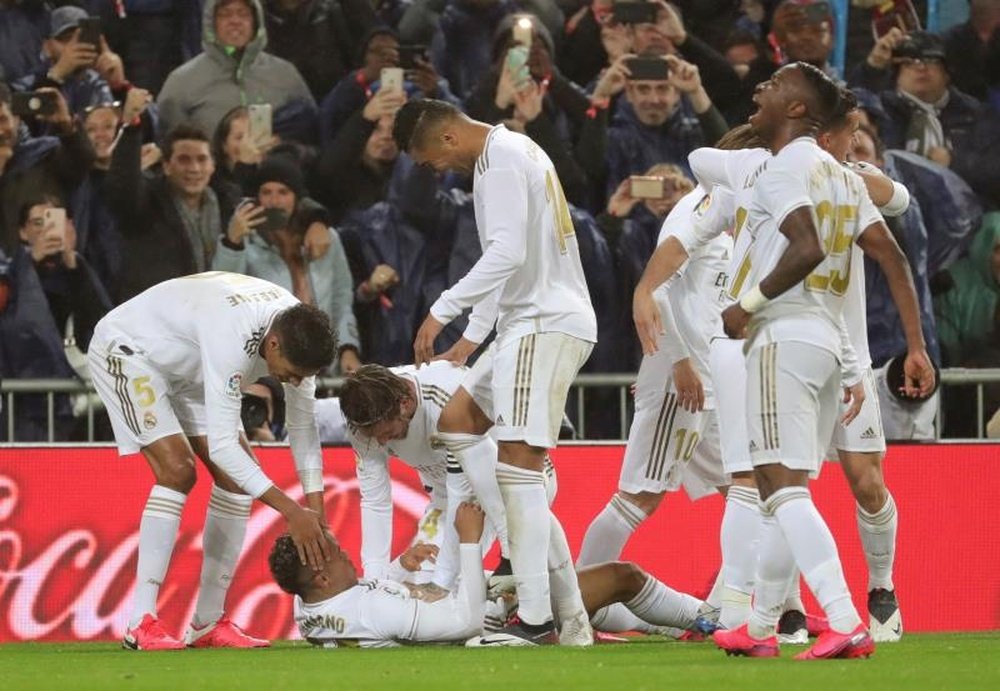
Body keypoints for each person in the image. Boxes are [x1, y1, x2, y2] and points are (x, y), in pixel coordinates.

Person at [712, 62, 933, 660]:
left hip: (782, 337)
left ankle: (842, 618)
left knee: (779, 487)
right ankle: (760, 628)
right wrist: (915, 347)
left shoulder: (784, 168)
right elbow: (892, 257)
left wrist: (745, 305)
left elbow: (806, 247)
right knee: (784, 486)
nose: (760, 90)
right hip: (827, 344)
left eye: (773, 85)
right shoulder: (841, 175)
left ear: (798, 111)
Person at [392, 99, 597, 646]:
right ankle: (560, 602)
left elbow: (505, 253)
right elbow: (509, 261)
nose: (435, 171)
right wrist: (469, 341)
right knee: (458, 422)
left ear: (448, 138)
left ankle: (536, 617)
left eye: (429, 159)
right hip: (521, 324)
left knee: (519, 469)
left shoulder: (501, 159)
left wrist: (442, 309)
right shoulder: (510, 152)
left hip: (543, 322)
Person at [86, 271, 338, 650]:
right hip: (130, 350)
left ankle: (207, 623)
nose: (296, 383)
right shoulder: (233, 335)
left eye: (306, 377)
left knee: (236, 483)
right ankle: (140, 622)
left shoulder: (300, 335)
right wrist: (290, 510)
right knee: (178, 471)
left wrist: (315, 512)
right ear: (272, 345)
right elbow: (222, 447)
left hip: (190, 369)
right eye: (292, 374)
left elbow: (303, 428)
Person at [269, 502, 715, 647]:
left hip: (474, 604)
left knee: (581, 594)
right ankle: (713, 619)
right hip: (497, 624)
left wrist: (397, 569)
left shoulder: (308, 602)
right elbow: (462, 622)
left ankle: (672, 627)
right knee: (622, 576)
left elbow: (366, 596)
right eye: (334, 554)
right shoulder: (375, 610)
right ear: (323, 578)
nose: (345, 553)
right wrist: (468, 540)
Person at [577, 184, 732, 574]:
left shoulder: (727, 223)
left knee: (748, 491)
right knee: (639, 496)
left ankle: (766, 607)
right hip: (684, 382)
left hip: (709, 382)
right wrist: (674, 363)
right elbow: (655, 292)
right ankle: (577, 602)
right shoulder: (696, 214)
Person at [336, 362, 511, 594]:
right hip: (445, 499)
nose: (381, 443)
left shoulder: (448, 399)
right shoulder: (364, 426)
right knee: (414, 585)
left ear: (405, 405)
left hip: (508, 487)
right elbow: (375, 502)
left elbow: (461, 490)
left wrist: (441, 584)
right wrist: (375, 585)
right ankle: (497, 600)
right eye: (375, 437)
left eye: (387, 433)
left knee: (446, 587)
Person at [212, 154, 361, 372]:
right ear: (256, 199)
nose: (274, 201)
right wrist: (232, 242)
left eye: (283, 192)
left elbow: (341, 298)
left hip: (324, 363)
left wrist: (348, 348)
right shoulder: (245, 242)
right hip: (269, 365)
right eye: (266, 192)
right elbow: (222, 294)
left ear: (296, 198)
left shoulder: (326, 238)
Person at [106, 92, 223, 302]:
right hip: (156, 316)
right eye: (184, 160)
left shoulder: (222, 203)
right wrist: (131, 127)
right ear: (167, 166)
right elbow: (123, 187)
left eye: (201, 159)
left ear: (212, 165)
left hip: (207, 311)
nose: (194, 168)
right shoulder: (147, 203)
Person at [156, 0, 315, 140]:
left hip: (275, 171)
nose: (235, 21)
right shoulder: (182, 81)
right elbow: (169, 148)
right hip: (209, 172)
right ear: (211, 22)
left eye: (243, 14)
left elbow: (311, 135)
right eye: (225, 15)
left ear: (256, 22)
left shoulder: (286, 74)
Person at [0, 82, 96, 255]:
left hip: (57, 271)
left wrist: (66, 124)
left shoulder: (45, 154)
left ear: (16, 118)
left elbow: (82, 159)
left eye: (2, 119)